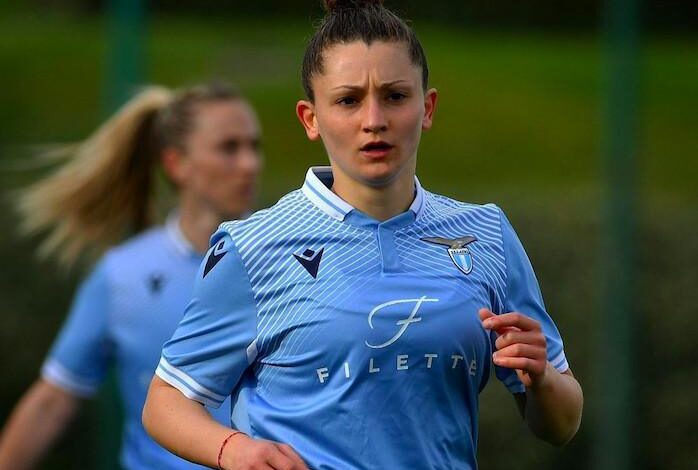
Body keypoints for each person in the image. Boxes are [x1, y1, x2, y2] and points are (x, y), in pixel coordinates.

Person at [142, 2, 584, 469]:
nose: (374, 119)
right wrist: (235, 450)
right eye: (348, 100)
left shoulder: (486, 235)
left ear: (427, 107)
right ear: (310, 118)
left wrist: (541, 378)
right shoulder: (252, 248)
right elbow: (167, 399)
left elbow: (562, 423)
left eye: (395, 96)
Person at [0, 82, 263, 469]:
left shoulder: (292, 259)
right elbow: (53, 401)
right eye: (229, 148)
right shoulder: (122, 275)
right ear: (176, 164)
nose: (250, 164)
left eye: (254, 146)